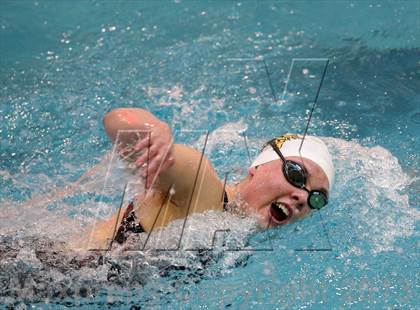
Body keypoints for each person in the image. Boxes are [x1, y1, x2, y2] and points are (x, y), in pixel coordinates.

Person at [80, 108, 334, 250]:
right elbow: (117, 122)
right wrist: (153, 130)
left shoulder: (236, 235)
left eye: (317, 198)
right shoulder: (201, 186)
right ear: (257, 167)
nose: (303, 197)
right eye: (296, 173)